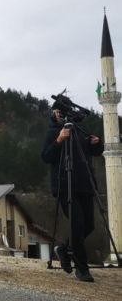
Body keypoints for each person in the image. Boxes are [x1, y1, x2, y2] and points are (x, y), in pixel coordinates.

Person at [41, 109, 104, 282]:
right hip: (65, 185)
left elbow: (96, 152)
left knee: (89, 225)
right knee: (77, 224)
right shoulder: (54, 132)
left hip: (85, 184)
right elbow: (46, 156)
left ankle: (64, 249)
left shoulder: (81, 131)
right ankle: (82, 267)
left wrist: (97, 143)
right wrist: (59, 139)